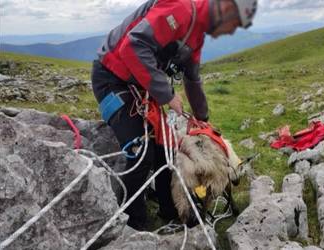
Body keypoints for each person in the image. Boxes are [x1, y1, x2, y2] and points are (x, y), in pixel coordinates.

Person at [91, 0, 257, 230]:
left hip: (139, 87)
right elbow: (132, 46)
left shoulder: (196, 35)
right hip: (111, 78)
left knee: (166, 148)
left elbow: (192, 78)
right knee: (142, 154)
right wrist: (167, 95)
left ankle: (169, 210)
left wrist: (202, 118)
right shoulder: (181, 9)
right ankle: (134, 225)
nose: (230, 31)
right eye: (233, 24)